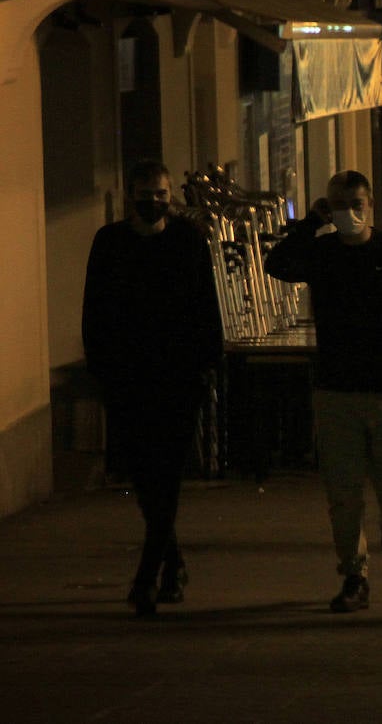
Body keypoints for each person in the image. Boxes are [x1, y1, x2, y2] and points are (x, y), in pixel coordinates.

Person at [264, 170, 382, 613]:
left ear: (370, 206)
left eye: (356, 204)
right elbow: (278, 265)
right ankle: (354, 574)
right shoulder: (322, 253)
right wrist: (311, 223)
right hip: (336, 390)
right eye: (339, 205)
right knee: (343, 491)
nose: (349, 213)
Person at [82, 160, 224, 616]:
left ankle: (147, 576)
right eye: (147, 193)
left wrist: (207, 365)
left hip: (178, 379)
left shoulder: (187, 241)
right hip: (128, 380)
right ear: (131, 195)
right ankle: (173, 563)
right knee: (147, 479)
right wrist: (102, 369)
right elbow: (95, 311)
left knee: (167, 475)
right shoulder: (110, 243)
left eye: (162, 194)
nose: (155, 201)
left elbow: (206, 305)